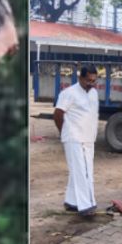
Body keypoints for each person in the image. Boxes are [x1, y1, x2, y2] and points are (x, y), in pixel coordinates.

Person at [54, 66, 100, 217]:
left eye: (94, 80)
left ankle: (72, 202)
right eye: (88, 80)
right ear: (80, 78)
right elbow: (58, 114)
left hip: (88, 138)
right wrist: (65, 132)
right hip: (75, 138)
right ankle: (87, 206)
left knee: (78, 171)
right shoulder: (69, 93)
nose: (91, 83)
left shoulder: (93, 93)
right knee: (84, 172)